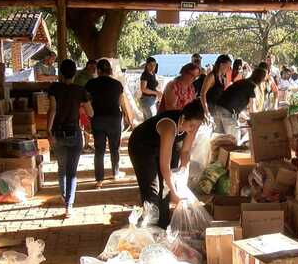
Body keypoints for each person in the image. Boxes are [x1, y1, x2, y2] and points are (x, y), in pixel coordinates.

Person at [128, 99, 206, 228]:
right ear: (183, 118)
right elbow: (165, 166)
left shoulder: (193, 125)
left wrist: (183, 172)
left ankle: (163, 225)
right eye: (191, 125)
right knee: (153, 189)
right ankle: (149, 227)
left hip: (164, 145)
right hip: (142, 146)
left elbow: (185, 151)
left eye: (197, 126)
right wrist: (175, 194)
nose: (193, 130)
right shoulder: (169, 126)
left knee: (167, 187)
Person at [47, 59, 92, 217]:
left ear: (60, 73)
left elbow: (52, 110)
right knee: (72, 171)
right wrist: (80, 106)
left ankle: (64, 195)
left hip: (57, 133)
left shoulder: (54, 88)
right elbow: (91, 113)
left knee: (61, 167)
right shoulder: (80, 91)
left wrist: (48, 131)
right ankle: (68, 206)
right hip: (74, 133)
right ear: (75, 73)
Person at [85, 59, 125, 189]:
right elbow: (119, 103)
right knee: (114, 148)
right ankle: (116, 173)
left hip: (98, 119)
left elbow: (87, 101)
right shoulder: (117, 85)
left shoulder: (90, 84)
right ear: (110, 70)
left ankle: (99, 180)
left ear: (98, 70)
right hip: (114, 119)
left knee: (99, 150)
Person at [216, 68, 268, 133]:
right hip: (228, 113)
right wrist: (257, 121)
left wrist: (246, 118)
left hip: (218, 108)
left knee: (220, 140)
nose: (264, 82)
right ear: (261, 79)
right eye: (264, 80)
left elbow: (234, 104)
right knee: (234, 140)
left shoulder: (242, 82)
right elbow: (253, 110)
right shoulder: (252, 86)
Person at [201, 54, 233, 126]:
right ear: (221, 64)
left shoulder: (223, 77)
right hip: (209, 109)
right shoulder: (211, 76)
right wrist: (206, 111)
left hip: (218, 110)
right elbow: (202, 93)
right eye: (227, 66)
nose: (229, 69)